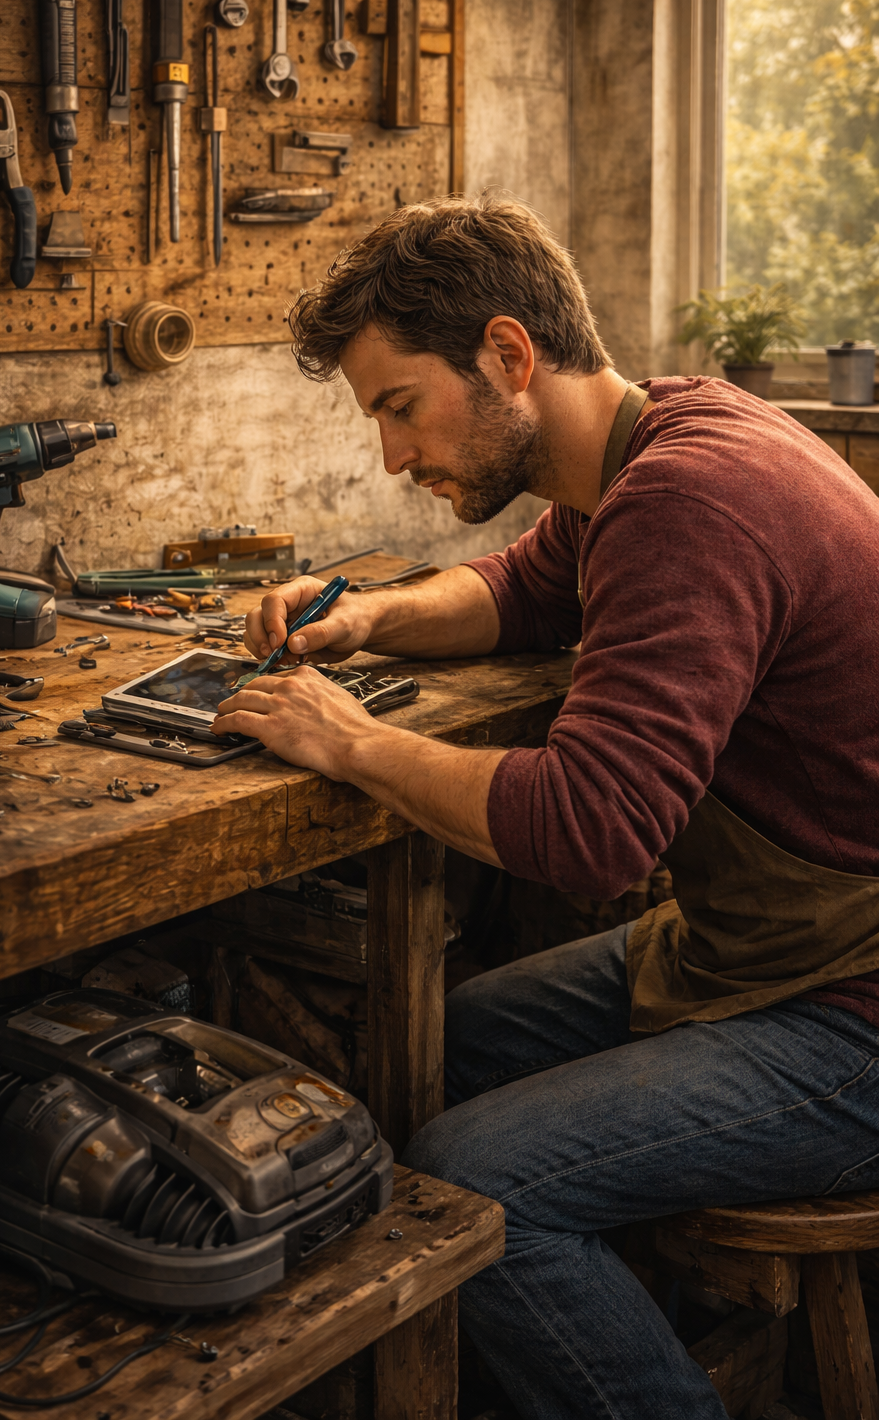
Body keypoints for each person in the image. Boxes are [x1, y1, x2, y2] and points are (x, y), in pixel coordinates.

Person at [211, 195, 879, 1419]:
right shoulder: (656, 440)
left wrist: (352, 740)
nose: (392, 457)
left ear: (508, 354)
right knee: (444, 1041)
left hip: (852, 1009)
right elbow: (522, 591)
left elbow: (589, 829)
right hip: (764, 949)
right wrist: (372, 615)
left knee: (477, 1182)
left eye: (400, 407)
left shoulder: (686, 502)